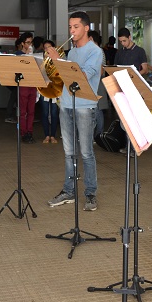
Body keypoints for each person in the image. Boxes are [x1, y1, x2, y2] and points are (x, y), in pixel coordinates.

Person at [46, 11, 103, 211]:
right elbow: (64, 77)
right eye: (70, 27)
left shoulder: (95, 52)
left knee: (86, 152)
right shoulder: (70, 52)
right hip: (66, 105)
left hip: (85, 107)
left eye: (75, 27)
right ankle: (69, 191)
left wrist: (57, 61)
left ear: (86, 28)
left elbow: (83, 76)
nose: (72, 31)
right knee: (68, 152)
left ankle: (90, 194)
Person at [14, 32, 37, 143]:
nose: (30, 45)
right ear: (23, 44)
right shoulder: (18, 54)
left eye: (31, 42)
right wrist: (26, 55)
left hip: (33, 84)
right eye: (28, 42)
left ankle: (30, 132)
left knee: (31, 111)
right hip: (23, 85)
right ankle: (23, 132)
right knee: (23, 111)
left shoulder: (35, 55)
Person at [39, 39, 60, 143]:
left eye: (49, 47)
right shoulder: (41, 60)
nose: (47, 49)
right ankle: (46, 135)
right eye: (45, 47)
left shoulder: (58, 59)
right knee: (45, 112)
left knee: (54, 112)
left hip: (55, 89)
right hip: (44, 88)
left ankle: (53, 135)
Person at [88, 30, 107, 136]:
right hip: (95, 83)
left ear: (91, 39)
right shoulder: (95, 51)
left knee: (98, 110)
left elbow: (100, 70)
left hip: (98, 84)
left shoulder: (98, 51)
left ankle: (99, 134)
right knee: (95, 109)